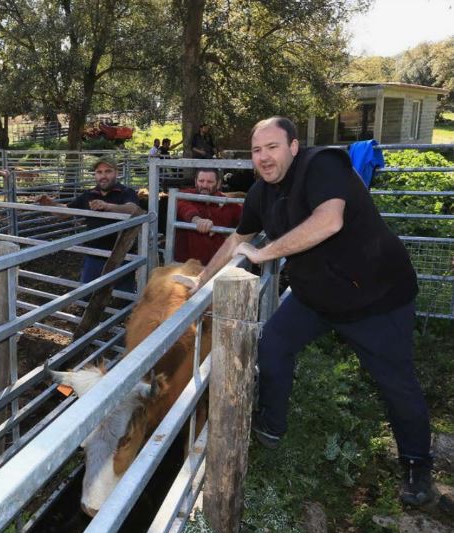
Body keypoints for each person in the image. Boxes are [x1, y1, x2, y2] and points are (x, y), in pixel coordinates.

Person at [174, 116, 433, 506]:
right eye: (257, 151)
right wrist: (202, 282)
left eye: (272, 147)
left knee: (396, 384)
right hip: (316, 296)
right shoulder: (262, 192)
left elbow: (328, 221)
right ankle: (271, 425)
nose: (263, 157)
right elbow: (236, 240)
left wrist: (262, 254)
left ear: (294, 146)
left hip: (376, 297)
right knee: (273, 346)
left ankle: (417, 467)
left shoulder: (322, 165)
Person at [37, 157, 141, 291]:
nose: (103, 176)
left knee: (123, 297)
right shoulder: (89, 195)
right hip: (94, 254)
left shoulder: (126, 192)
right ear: (95, 175)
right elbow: (64, 213)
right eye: (99, 172)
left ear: (116, 173)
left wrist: (108, 206)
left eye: (108, 171)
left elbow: (133, 209)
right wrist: (49, 204)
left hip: (121, 256)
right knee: (87, 294)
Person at [174, 168, 242, 265]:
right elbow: (185, 208)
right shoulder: (184, 196)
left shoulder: (228, 204)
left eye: (210, 182)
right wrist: (197, 220)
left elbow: (245, 221)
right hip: (186, 267)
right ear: (195, 182)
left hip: (216, 267)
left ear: (218, 184)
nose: (204, 185)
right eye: (201, 181)